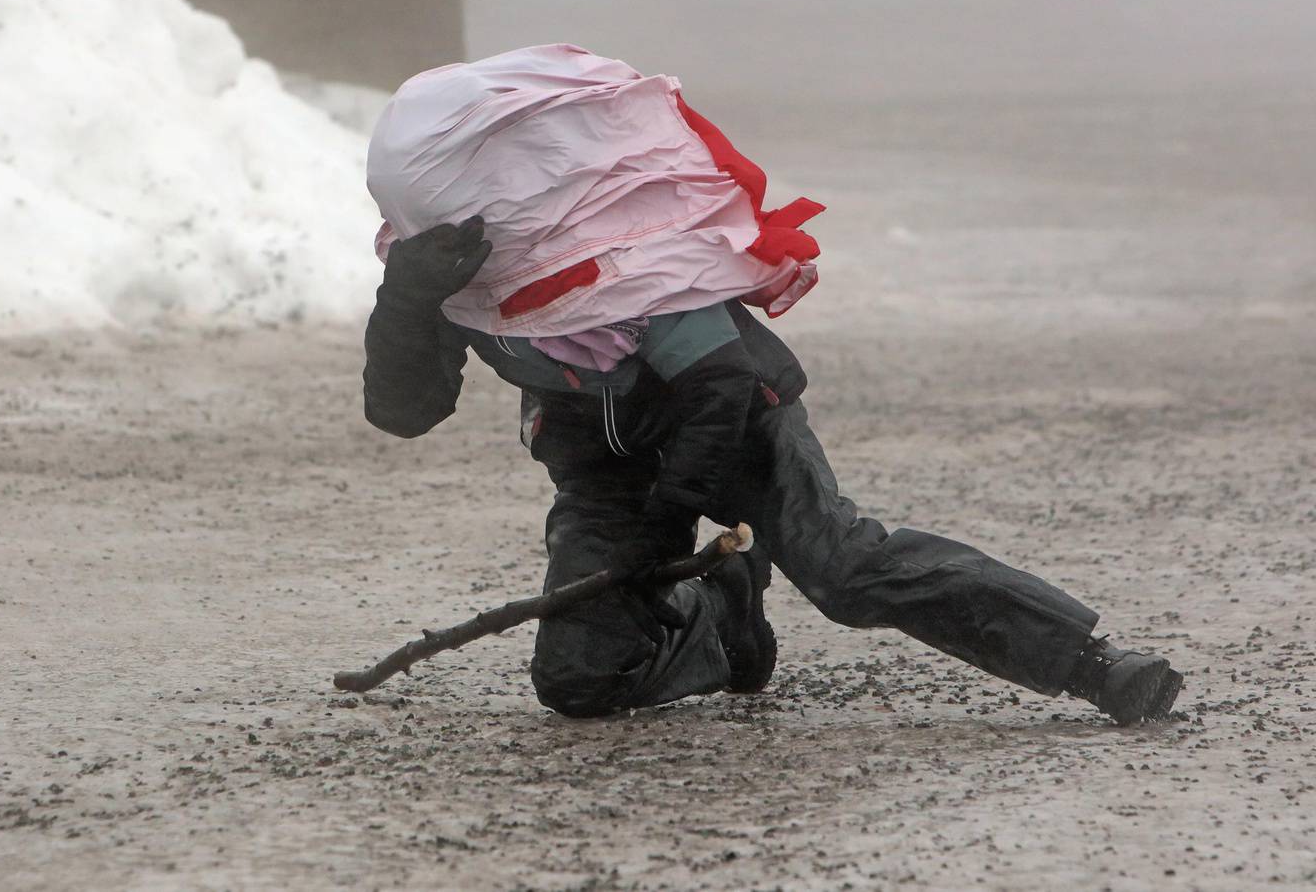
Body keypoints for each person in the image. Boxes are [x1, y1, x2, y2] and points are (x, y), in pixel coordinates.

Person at [359, 44, 1183, 724]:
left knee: (846, 571)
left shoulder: (635, 257)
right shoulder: (451, 277)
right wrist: (406, 300)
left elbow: (717, 387)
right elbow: (404, 413)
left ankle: (1091, 662)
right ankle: (722, 613)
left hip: (736, 425)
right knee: (579, 681)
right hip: (602, 468)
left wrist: (670, 518)